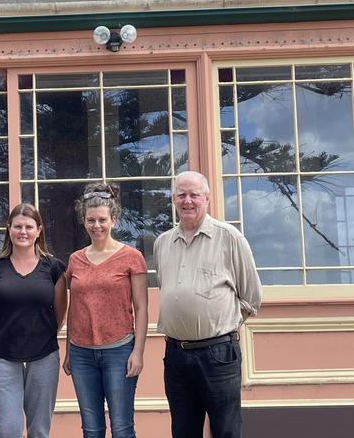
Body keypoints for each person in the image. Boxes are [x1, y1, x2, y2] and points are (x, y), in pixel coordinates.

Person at [153, 171, 262, 438]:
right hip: (176, 355)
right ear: (174, 200)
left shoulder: (229, 238)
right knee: (183, 430)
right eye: (181, 195)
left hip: (218, 355)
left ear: (207, 199)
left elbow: (251, 296)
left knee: (225, 430)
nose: (187, 201)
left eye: (194, 195)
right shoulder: (162, 243)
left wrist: (219, 327)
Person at [63, 183, 149, 438]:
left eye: (102, 219)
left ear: (114, 219)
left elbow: (142, 308)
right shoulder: (75, 259)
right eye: (91, 220)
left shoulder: (132, 257)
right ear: (83, 221)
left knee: (122, 428)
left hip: (119, 351)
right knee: (91, 429)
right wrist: (69, 350)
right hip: (81, 354)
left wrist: (138, 352)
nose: (96, 225)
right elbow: (74, 308)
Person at [0, 203, 68, 438]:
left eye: (29, 226)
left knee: (39, 429)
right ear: (8, 229)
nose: (23, 232)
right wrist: (8, 334)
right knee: (7, 428)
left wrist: (40, 334)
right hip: (3, 356)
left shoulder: (54, 268)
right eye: (17, 226)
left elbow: (60, 313)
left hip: (44, 355)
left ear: (39, 230)